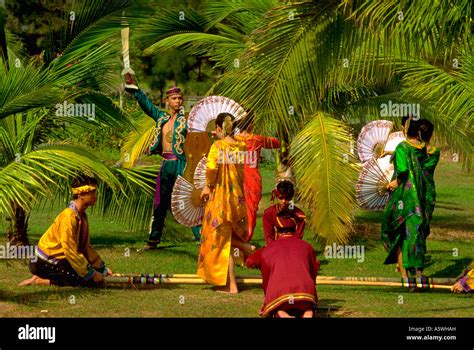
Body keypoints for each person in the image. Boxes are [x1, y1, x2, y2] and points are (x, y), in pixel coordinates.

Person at [125, 74, 200, 248]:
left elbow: (198, 137)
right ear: (167, 101)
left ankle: (200, 235)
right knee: (160, 202)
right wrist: (135, 89)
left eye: (180, 98)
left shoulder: (187, 121)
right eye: (174, 98)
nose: (178, 101)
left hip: (181, 164)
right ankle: (154, 238)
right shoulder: (161, 118)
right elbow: (147, 106)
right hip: (166, 165)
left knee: (189, 198)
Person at [197, 113, 255, 294]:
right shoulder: (241, 147)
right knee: (227, 239)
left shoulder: (217, 147)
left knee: (221, 242)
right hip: (236, 198)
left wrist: (207, 187)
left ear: (220, 129)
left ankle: (231, 286)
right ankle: (244, 254)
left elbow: (212, 168)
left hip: (220, 199)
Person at [19, 176, 112, 287]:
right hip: (43, 262)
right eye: (92, 192)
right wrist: (92, 274)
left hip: (58, 260)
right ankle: (38, 280)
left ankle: (46, 278)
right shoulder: (69, 217)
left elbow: (85, 247)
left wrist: (102, 268)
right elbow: (70, 250)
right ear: (81, 195)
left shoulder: (81, 216)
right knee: (88, 281)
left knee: (94, 275)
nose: (95, 196)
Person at [246, 180, 319, 318]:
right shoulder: (269, 213)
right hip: (273, 248)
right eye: (281, 198)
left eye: (288, 198)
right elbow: (268, 237)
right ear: (276, 195)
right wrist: (274, 252)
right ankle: (270, 300)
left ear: (292, 198)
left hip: (292, 248)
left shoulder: (299, 215)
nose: (284, 201)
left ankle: (278, 305)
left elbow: (298, 238)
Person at [381, 118, 428, 279]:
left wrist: (394, 182)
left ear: (406, 130)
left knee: (396, 233)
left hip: (403, 198)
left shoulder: (402, 147)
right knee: (415, 234)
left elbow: (402, 170)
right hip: (418, 199)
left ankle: (405, 278)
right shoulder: (423, 149)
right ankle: (420, 275)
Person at [234, 120, 280, 241]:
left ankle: (238, 239)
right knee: (250, 208)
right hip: (252, 178)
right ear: (250, 124)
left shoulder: (232, 140)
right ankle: (246, 237)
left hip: (236, 178)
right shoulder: (257, 139)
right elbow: (276, 143)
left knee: (237, 207)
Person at [418, 119, 440, 238]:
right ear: (431, 134)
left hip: (416, 188)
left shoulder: (413, 151)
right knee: (425, 220)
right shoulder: (435, 151)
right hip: (428, 190)